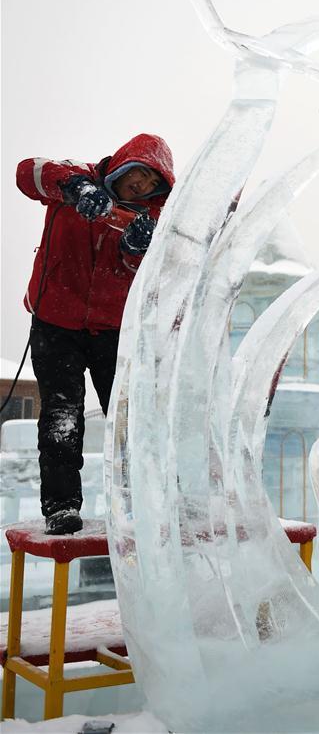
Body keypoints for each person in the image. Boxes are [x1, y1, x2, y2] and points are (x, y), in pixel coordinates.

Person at [17, 134, 175, 535]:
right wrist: (73, 186)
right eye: (137, 177)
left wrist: (139, 249)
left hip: (111, 329)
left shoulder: (150, 221)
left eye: (149, 185)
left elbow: (146, 277)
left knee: (126, 418)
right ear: (122, 164)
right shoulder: (74, 179)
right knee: (62, 414)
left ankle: (141, 504)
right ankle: (61, 506)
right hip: (55, 322)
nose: (139, 188)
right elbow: (27, 172)